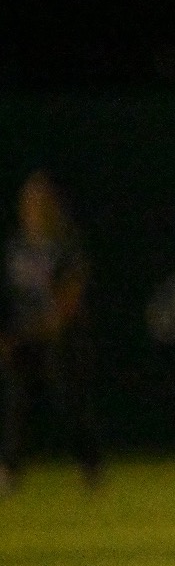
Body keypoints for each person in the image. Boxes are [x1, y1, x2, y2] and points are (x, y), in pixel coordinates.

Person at [1, 171, 101, 492]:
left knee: (69, 403)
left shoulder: (66, 246)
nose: (34, 208)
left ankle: (89, 467)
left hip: (59, 340)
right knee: (17, 403)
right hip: (23, 339)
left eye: (41, 201)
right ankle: (9, 471)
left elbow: (70, 298)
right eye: (30, 201)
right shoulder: (15, 247)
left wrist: (45, 326)